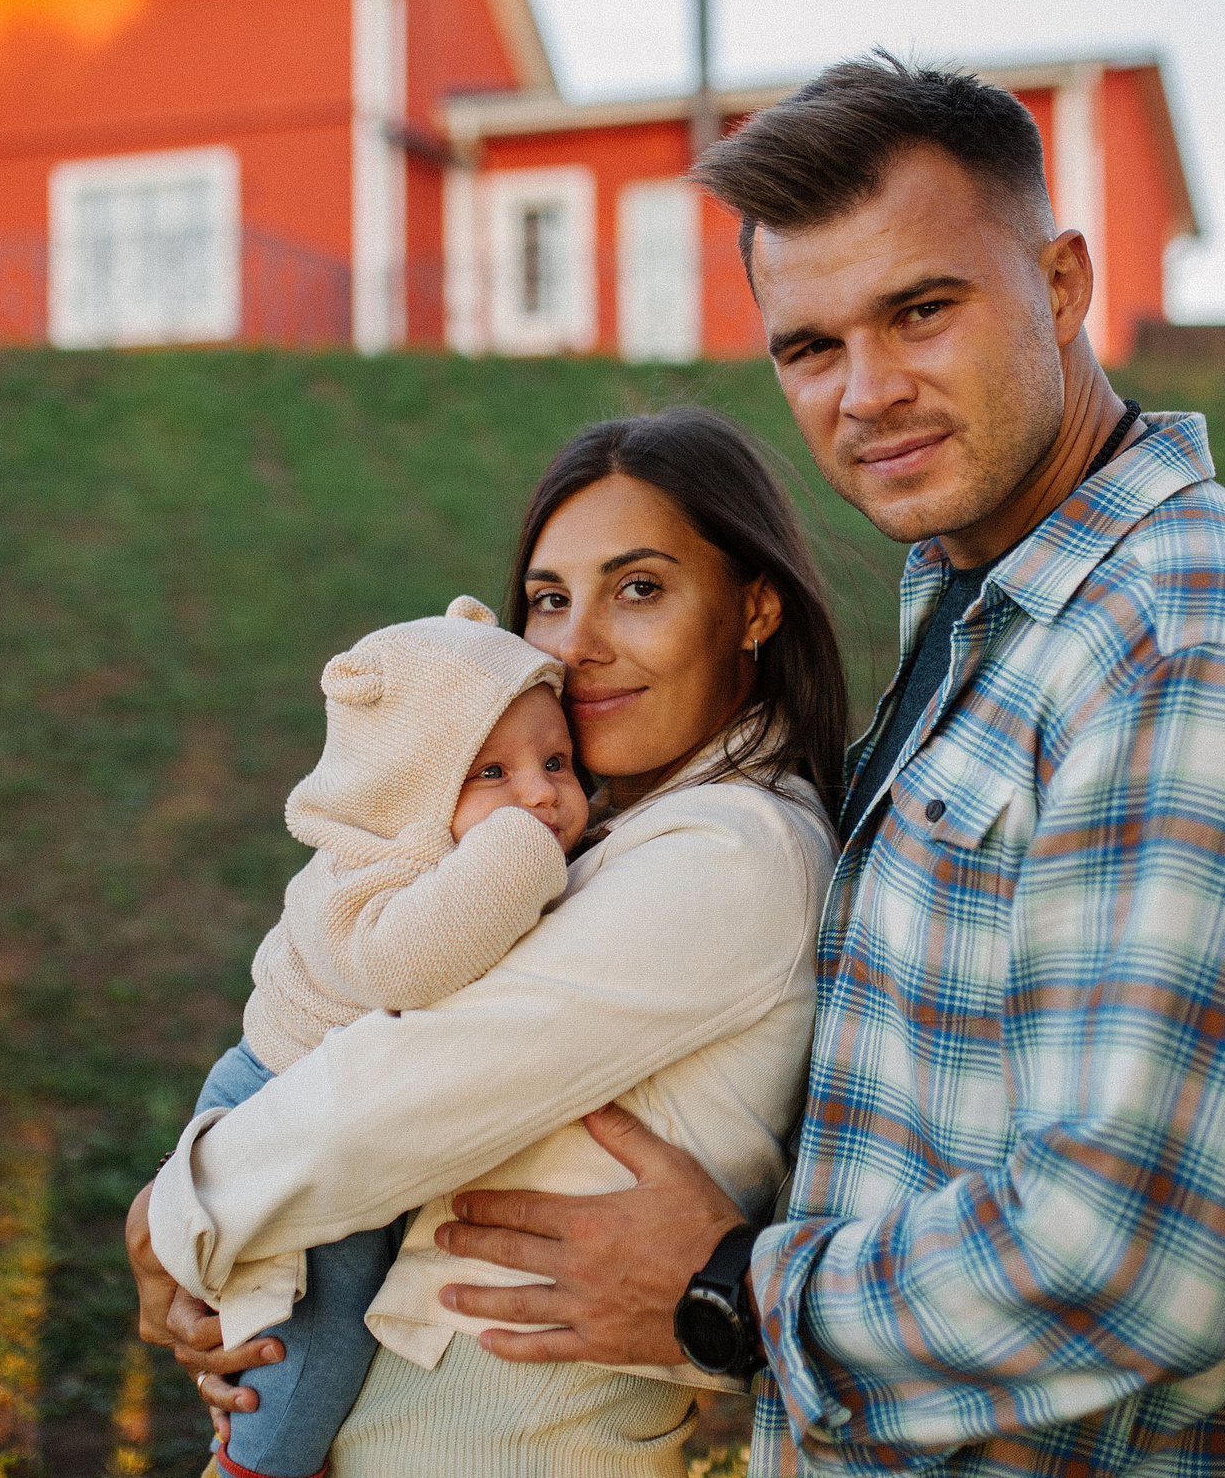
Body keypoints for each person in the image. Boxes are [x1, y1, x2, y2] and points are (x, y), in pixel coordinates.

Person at [428, 55, 1225, 1473]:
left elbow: (1126, 1250)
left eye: (920, 310)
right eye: (811, 346)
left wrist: (730, 1288)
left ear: (1065, 286)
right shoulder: (994, 611)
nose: (869, 391)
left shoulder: (1191, 652)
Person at [129, 408, 852, 1477]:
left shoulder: (731, 849)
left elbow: (404, 1091)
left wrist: (178, 1215)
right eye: (549, 599)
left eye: (639, 588)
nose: (576, 643)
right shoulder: (610, 829)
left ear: (754, 607)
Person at [169, 596, 590, 1477]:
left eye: (556, 761)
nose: (541, 793)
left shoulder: (454, 866)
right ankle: (256, 1466)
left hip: (349, 1121)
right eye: (492, 775)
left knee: (345, 1340)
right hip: (276, 1111)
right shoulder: (359, 887)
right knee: (305, 1347)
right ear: (408, 795)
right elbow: (406, 967)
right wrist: (520, 844)